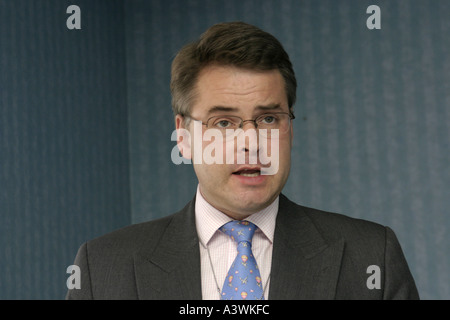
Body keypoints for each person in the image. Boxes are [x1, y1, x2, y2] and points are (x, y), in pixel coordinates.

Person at [66, 21, 419, 300]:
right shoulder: (103, 269)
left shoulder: (372, 256)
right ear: (184, 137)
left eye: (268, 119)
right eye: (223, 122)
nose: (251, 143)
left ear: (290, 130)